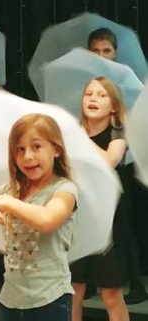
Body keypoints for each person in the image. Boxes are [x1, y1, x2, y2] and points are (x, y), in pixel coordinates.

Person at [0, 113, 78, 320]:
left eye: (36, 147)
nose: (28, 156)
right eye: (20, 149)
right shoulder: (8, 189)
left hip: (50, 299)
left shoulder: (64, 189)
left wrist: (9, 203)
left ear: (56, 149)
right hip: (10, 300)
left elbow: (47, 220)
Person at [87, 28, 148, 305]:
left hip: (119, 165)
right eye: (96, 51)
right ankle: (87, 282)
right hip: (88, 177)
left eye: (106, 50)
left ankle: (135, 282)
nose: (101, 56)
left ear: (115, 52)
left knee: (123, 229)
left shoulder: (125, 82)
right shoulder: (83, 83)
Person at [70, 77, 130, 321]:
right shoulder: (71, 131)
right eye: (89, 94)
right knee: (73, 289)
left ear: (114, 106)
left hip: (107, 218)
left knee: (111, 293)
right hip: (75, 214)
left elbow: (107, 162)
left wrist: (79, 138)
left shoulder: (118, 132)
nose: (93, 99)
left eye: (102, 95)